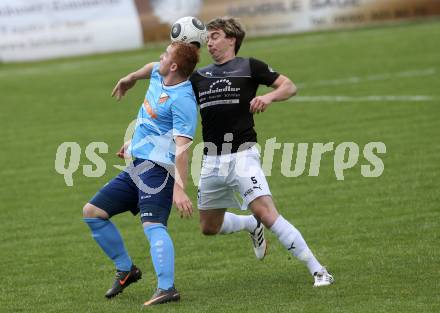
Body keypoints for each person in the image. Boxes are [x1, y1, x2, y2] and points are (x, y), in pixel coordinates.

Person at [189, 17, 334, 287]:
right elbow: (171, 106)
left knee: (267, 213)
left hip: (243, 155)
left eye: (216, 36)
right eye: (208, 38)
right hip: (210, 159)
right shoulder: (199, 77)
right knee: (209, 227)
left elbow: (289, 86)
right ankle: (248, 225)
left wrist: (267, 97)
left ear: (232, 39)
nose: (210, 42)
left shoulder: (249, 66)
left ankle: (319, 270)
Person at [82, 42, 199, 306]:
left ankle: (167, 289)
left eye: (166, 54)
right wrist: (131, 77)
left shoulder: (183, 102)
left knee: (154, 227)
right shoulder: (160, 73)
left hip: (159, 172)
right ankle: (127, 270)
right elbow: (149, 68)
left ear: (174, 66)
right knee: (92, 213)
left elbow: (182, 149)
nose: (160, 56)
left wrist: (179, 188)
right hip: (137, 166)